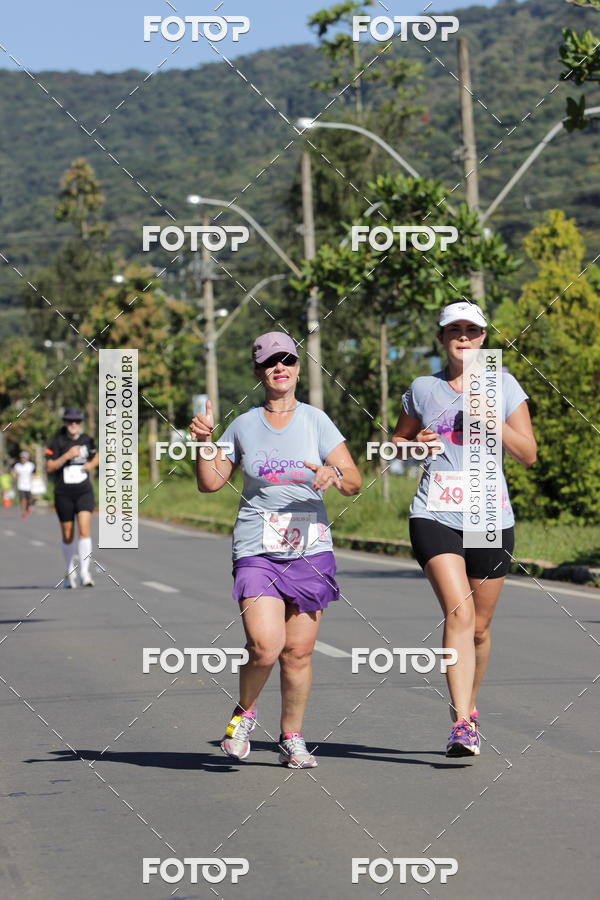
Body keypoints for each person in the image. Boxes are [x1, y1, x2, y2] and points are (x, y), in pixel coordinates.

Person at [189, 331, 362, 768]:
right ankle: (243, 713)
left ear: (299, 367)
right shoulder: (244, 425)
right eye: (270, 362)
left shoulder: (316, 421)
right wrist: (203, 444)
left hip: (310, 548)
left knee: (298, 653)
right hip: (256, 548)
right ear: (258, 372)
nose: (279, 367)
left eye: (287, 359)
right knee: (265, 645)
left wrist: (332, 474)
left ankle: (292, 737)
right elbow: (210, 483)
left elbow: (354, 481)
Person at [392, 301, 536, 757]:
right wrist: (415, 444)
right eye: (453, 330)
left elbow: (528, 454)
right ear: (441, 339)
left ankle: (470, 710)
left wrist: (492, 419)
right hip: (434, 510)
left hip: (488, 514)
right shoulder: (423, 388)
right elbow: (396, 444)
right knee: (459, 613)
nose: (463, 337)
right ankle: (460, 724)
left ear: (483, 338)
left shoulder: (504, 385)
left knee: (479, 628)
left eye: (471, 330)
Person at [45, 408, 99, 588]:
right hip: (63, 493)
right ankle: (70, 571)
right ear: (65, 423)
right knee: (68, 535)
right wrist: (67, 456)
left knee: (84, 530)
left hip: (83, 491)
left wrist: (91, 464)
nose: (73, 424)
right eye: (70, 421)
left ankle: (85, 572)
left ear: (80, 423)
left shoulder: (87, 440)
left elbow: (98, 455)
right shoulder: (57, 441)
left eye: (76, 421)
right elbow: (50, 467)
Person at [12, 450, 35, 518]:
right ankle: (24, 513)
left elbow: (34, 473)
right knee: (23, 499)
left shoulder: (31, 465)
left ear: (27, 458)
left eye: (24, 457)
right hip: (21, 485)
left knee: (30, 499)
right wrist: (13, 475)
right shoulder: (17, 465)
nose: (23, 459)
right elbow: (14, 473)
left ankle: (28, 507)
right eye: (22, 457)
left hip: (29, 485)